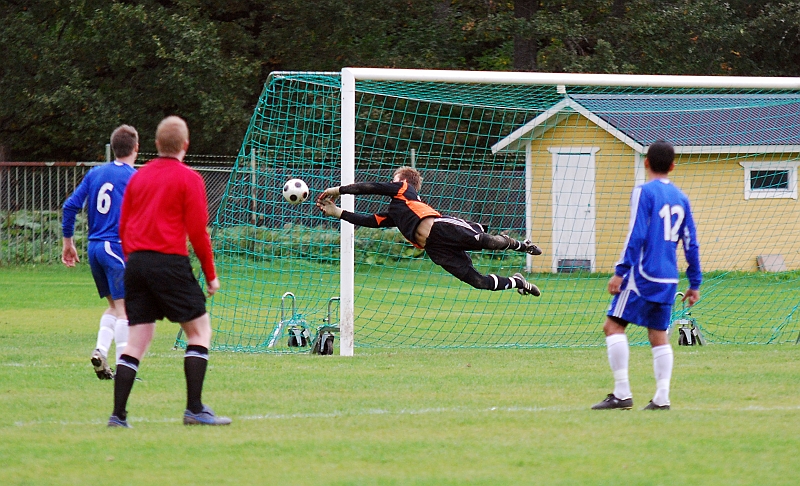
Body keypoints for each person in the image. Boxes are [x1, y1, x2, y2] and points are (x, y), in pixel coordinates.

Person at [108, 116, 229, 428]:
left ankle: (118, 416)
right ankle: (194, 409)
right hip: (169, 262)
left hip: (135, 264)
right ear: (185, 146)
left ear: (157, 145)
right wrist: (211, 275)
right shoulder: (190, 179)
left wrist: (135, 263)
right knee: (199, 332)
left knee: (137, 341)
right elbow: (198, 233)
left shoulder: (137, 178)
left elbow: (122, 227)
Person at [592, 140, 701, 411]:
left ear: (646, 162)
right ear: (673, 166)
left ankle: (622, 394)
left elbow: (636, 234)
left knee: (613, 326)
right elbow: (691, 242)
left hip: (642, 275)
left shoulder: (644, 192)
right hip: (668, 278)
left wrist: (620, 272)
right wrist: (695, 282)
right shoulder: (681, 198)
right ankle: (661, 398)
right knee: (658, 335)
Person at [315, 166, 542, 296]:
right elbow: (370, 221)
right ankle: (518, 283)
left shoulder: (404, 188)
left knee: (486, 241)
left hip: (442, 229)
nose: (391, 183)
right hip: (436, 249)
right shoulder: (397, 213)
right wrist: (337, 212)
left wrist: (337, 190)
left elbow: (371, 188)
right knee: (479, 282)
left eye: (393, 180)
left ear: (403, 181)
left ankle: (522, 245)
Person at [62, 125, 139, 380]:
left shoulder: (95, 174)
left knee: (114, 308)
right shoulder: (133, 177)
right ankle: (124, 370)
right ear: (135, 148)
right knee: (126, 309)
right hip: (114, 246)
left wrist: (68, 242)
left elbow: (70, 206)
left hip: (94, 248)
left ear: (113, 147)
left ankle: (100, 351)